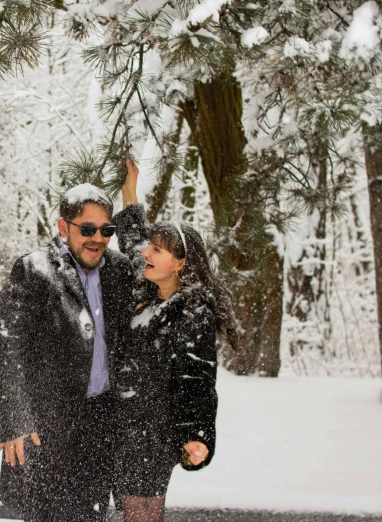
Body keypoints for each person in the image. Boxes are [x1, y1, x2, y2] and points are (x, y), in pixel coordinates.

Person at [0, 184, 135, 522]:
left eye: (106, 230)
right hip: (47, 431)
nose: (97, 238)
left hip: (101, 429)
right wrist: (15, 421)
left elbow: (158, 261)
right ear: (62, 227)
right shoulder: (33, 271)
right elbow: (7, 350)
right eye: (87, 229)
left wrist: (132, 197)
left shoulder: (119, 269)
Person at [113, 159, 238, 522]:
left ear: (180, 264)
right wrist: (130, 190)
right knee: (130, 511)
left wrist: (197, 435)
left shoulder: (191, 314)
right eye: (150, 246)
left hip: (153, 433)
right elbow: (134, 238)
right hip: (123, 426)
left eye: (158, 250)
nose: (145, 253)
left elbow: (197, 381)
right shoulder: (147, 285)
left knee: (141, 513)